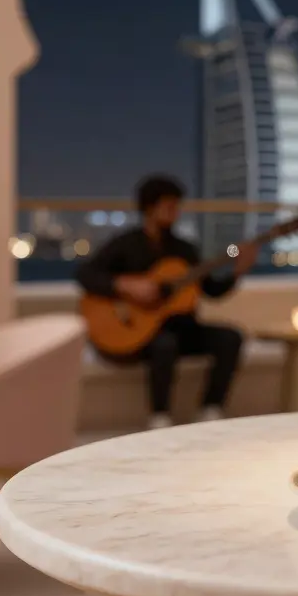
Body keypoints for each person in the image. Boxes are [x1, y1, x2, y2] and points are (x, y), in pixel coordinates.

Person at [76, 175, 259, 429]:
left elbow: (211, 289)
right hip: (137, 335)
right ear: (150, 207)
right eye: (169, 205)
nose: (175, 212)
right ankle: (159, 416)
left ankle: (211, 410)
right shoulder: (126, 244)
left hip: (183, 329)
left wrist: (238, 268)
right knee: (165, 344)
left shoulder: (185, 249)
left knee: (231, 337)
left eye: (177, 206)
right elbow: (85, 274)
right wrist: (125, 285)